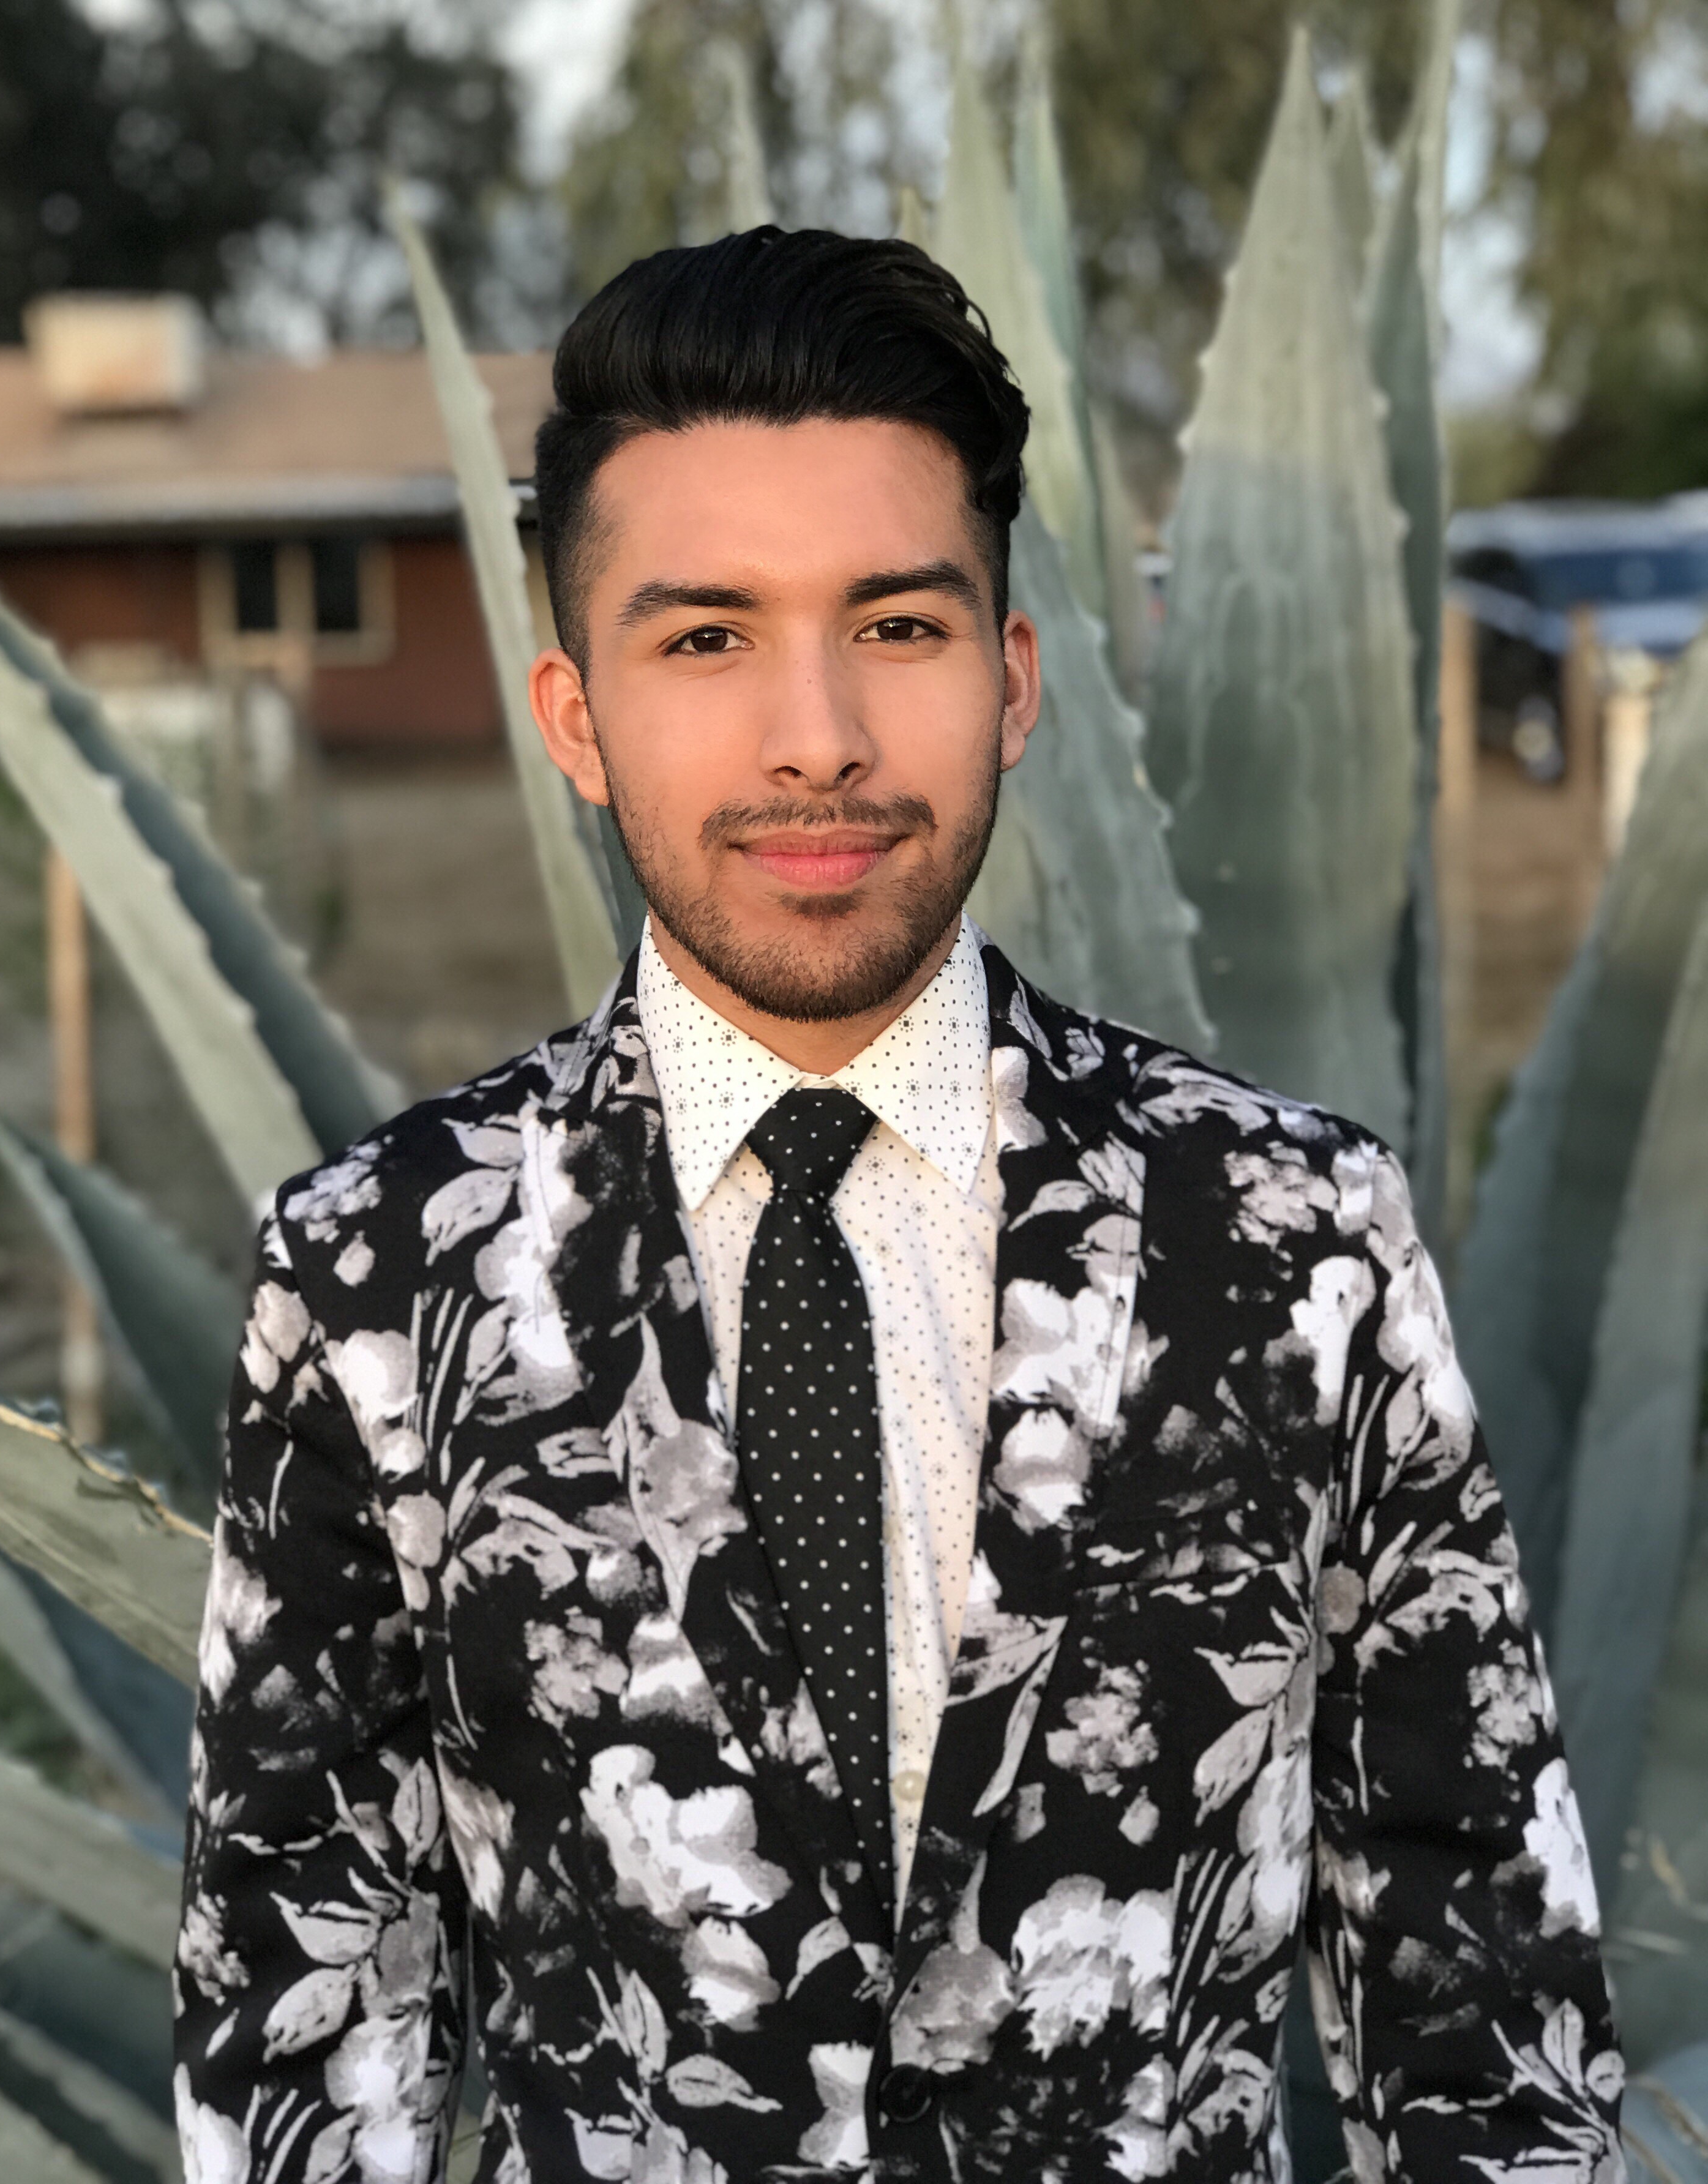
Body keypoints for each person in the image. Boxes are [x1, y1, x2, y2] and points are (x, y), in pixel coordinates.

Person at [173, 227, 1623, 2183]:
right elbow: (300, 2005)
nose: (819, 736)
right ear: (576, 714)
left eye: (900, 625)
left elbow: (1485, 1997)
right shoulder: (374, 1277)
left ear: (1013, 678)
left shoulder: (1300, 1240)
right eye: (705, 637)